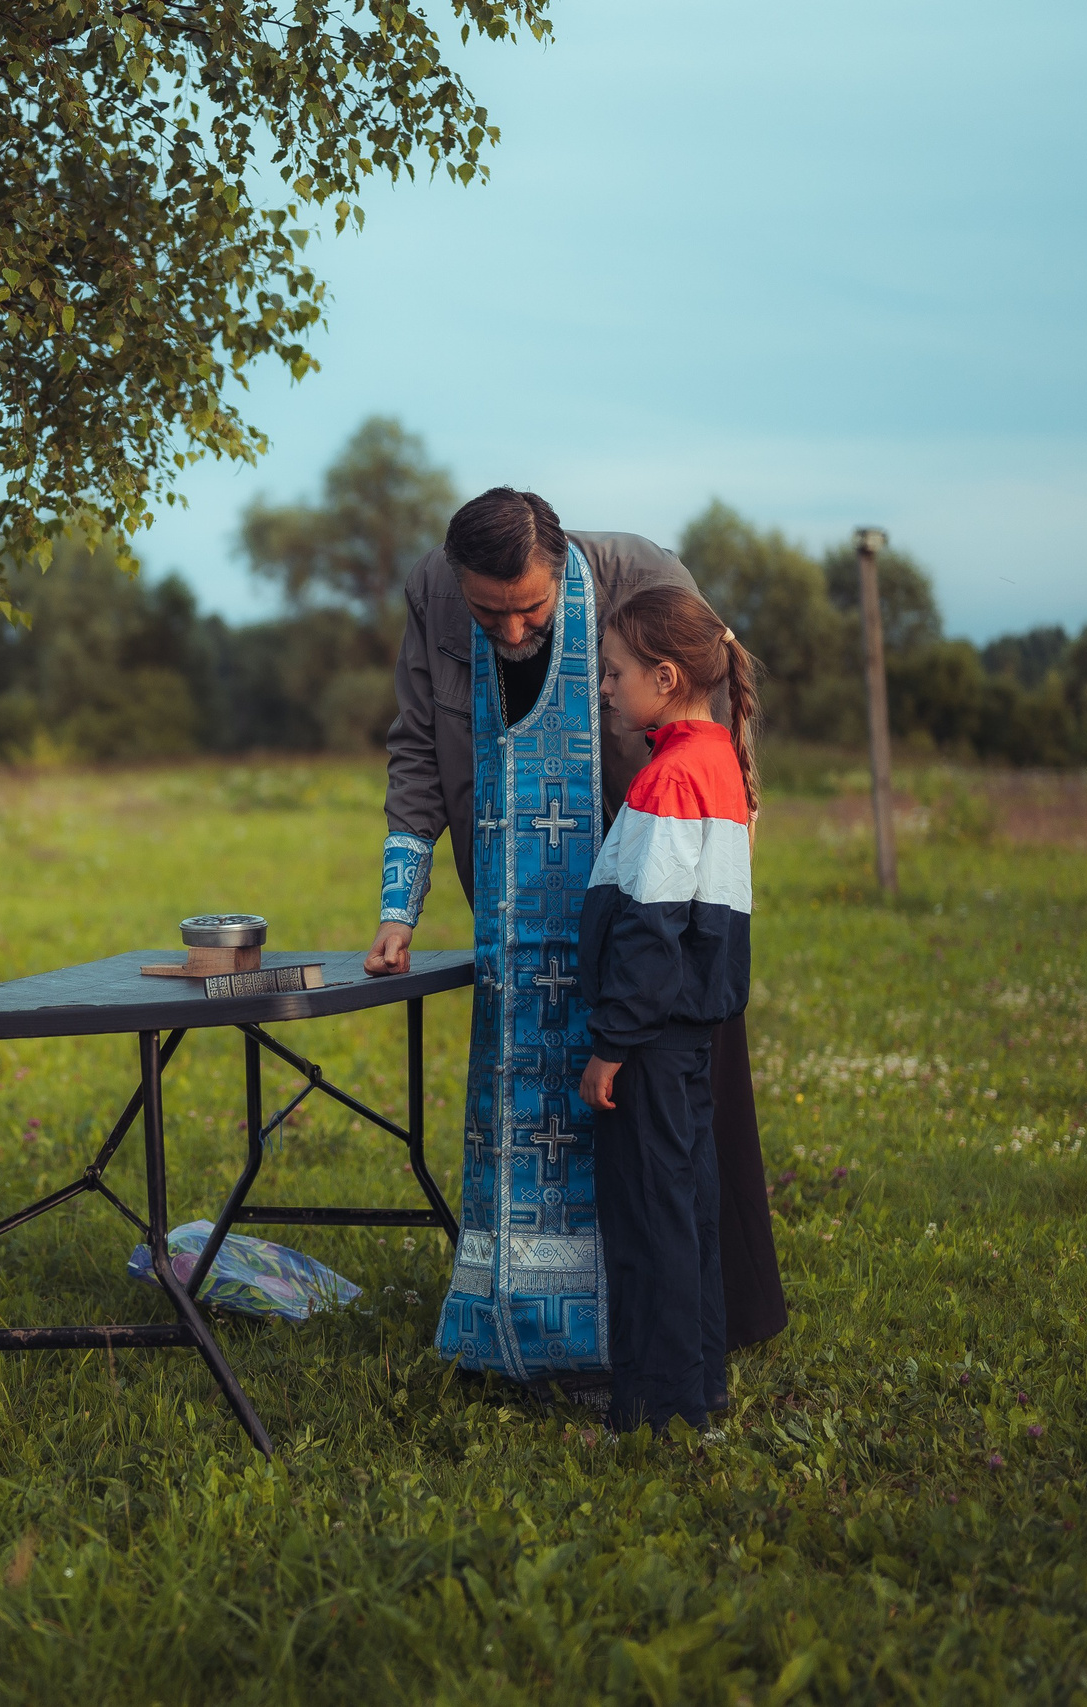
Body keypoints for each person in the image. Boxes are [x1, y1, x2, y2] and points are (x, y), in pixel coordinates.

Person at [365, 487, 786, 1396]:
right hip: (516, 912)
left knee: (665, 1150)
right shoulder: (432, 594)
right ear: (456, 584)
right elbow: (417, 750)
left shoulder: (646, 584)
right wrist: (400, 907)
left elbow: (715, 755)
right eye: (489, 615)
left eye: (533, 611)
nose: (513, 633)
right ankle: (530, 1322)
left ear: (562, 572)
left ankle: (675, 1347)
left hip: (650, 919)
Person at [576, 588, 757, 1433]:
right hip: (686, 1036)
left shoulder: (670, 777)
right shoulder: (716, 760)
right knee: (685, 1208)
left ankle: (655, 1407)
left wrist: (611, 1044)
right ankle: (698, 1387)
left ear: (666, 676)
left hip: (648, 1040)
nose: (604, 687)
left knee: (650, 1219)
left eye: (614, 672)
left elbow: (652, 931)